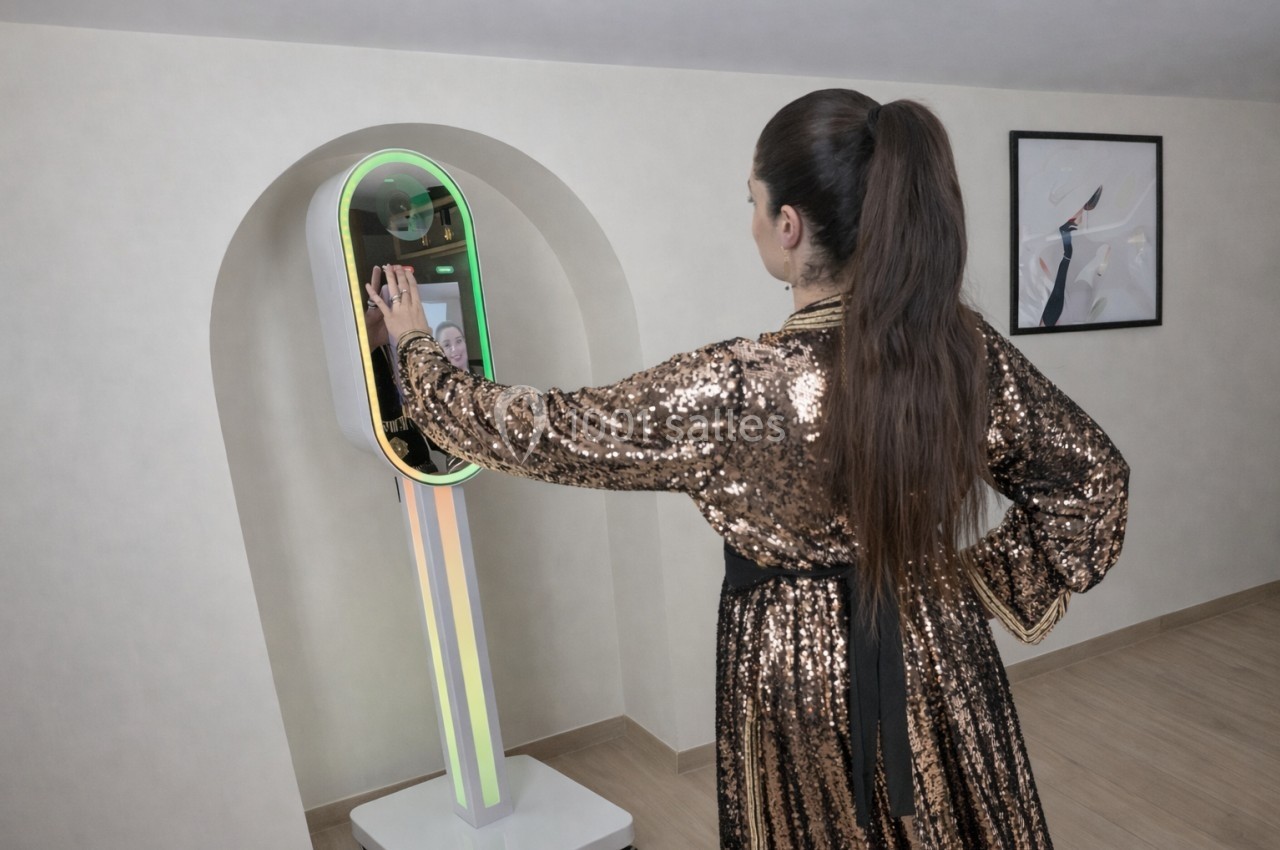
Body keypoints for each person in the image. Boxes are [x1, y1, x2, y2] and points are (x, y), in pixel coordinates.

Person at [366, 89, 1129, 850]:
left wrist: (416, 348)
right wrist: (967, 590)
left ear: (787, 225)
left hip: (801, 674)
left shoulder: (736, 386)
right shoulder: (959, 347)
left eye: (753, 202)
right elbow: (1093, 481)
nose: (753, 220)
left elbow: (546, 431)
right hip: (939, 646)